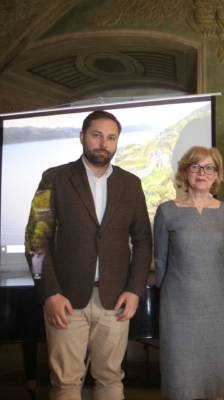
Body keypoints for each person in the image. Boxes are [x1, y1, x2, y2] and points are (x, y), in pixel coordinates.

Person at [24, 110, 153, 400]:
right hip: (65, 299)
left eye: (111, 138)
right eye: (97, 135)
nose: (103, 143)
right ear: (82, 137)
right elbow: (35, 239)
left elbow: (143, 241)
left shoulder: (131, 184)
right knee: (65, 383)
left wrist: (135, 290)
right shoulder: (54, 178)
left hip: (115, 300)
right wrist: (50, 293)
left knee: (111, 378)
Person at [154, 146, 224, 400]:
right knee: (180, 382)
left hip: (215, 306)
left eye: (209, 167)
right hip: (177, 307)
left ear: (216, 174)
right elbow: (160, 260)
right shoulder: (167, 211)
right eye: (196, 166)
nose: (202, 173)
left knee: (214, 383)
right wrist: (172, 295)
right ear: (185, 171)